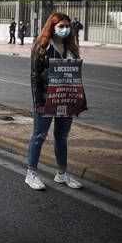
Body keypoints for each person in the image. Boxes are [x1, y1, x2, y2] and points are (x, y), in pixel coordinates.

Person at [26, 12, 84, 191]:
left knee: (62, 137)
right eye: (61, 26)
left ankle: (61, 173)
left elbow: (75, 74)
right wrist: (39, 103)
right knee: (39, 136)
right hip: (46, 99)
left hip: (66, 99)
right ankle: (31, 174)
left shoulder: (72, 48)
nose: (65, 30)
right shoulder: (42, 47)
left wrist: (77, 99)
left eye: (67, 26)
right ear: (52, 27)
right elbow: (35, 77)